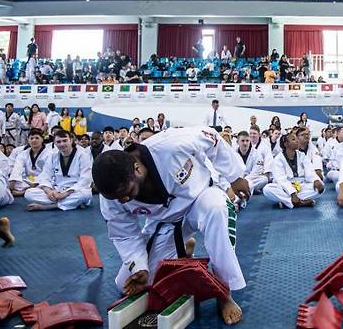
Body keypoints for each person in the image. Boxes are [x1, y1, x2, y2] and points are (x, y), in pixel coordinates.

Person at [93, 127, 250, 325]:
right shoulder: (111, 197)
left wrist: (235, 176)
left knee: (217, 208)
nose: (123, 200)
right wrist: (139, 267)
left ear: (137, 169)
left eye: (126, 192)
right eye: (117, 198)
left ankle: (223, 293)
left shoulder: (171, 145)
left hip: (201, 199)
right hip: (165, 223)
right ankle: (183, 250)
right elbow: (124, 234)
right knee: (126, 285)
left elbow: (213, 138)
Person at [24, 130, 92, 211]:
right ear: (55, 143)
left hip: (74, 190)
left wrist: (65, 194)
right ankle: (69, 204)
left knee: (85, 194)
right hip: (56, 190)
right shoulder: (53, 156)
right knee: (29, 193)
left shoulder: (82, 155)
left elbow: (85, 180)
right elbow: (45, 176)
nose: (62, 144)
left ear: (71, 140)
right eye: (58, 142)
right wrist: (49, 192)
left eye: (65, 140)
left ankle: (49, 206)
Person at [263, 133, 324, 208]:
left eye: (297, 139)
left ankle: (287, 202)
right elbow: (281, 179)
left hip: (301, 185)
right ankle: (297, 201)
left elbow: (310, 171)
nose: (297, 141)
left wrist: (315, 180)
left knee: (320, 187)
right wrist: (292, 193)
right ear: (286, 144)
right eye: (293, 139)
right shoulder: (278, 159)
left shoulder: (302, 155)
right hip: (285, 187)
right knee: (267, 189)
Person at [9, 128, 50, 196]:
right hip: (29, 180)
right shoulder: (23, 154)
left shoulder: (49, 153)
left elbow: (47, 173)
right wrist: (11, 186)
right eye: (31, 138)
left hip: (43, 180)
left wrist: (35, 183)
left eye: (37, 138)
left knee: (47, 185)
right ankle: (27, 189)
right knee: (12, 182)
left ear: (42, 139)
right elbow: (17, 169)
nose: (34, 140)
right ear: (28, 140)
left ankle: (24, 191)